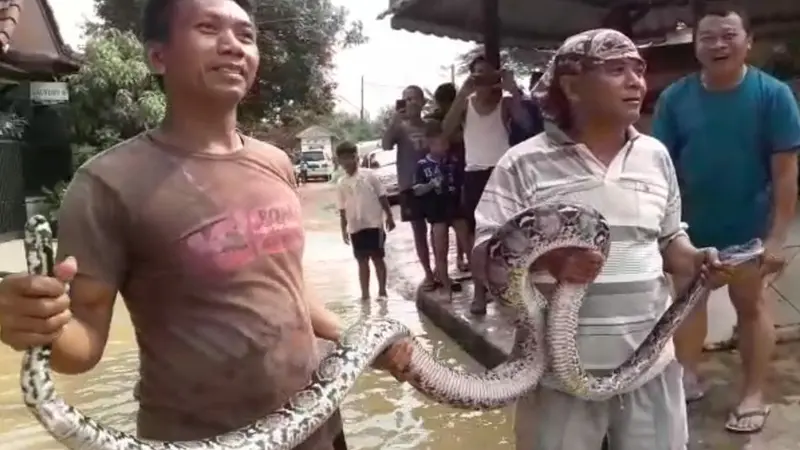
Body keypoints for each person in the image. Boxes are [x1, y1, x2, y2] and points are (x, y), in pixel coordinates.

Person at [0, 0, 412, 448]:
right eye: (208, 27)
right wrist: (37, 326)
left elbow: (291, 289)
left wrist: (365, 344)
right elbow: (82, 347)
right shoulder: (106, 184)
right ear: (158, 56)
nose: (233, 46)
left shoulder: (276, 164)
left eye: (246, 34)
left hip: (318, 428)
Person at [471, 29, 731, 450]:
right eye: (616, 70)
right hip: (556, 377)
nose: (636, 81)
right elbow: (483, 254)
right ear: (572, 86)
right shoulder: (522, 163)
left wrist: (696, 259)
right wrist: (546, 261)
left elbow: (668, 240)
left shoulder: (655, 156)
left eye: (638, 69)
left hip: (650, 366)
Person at [651, 5, 800, 433]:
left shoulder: (773, 95)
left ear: (747, 42)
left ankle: (752, 393)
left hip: (749, 229)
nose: (718, 44)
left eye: (728, 35)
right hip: (690, 231)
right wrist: (665, 234)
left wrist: (776, 237)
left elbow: (786, 172)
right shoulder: (675, 98)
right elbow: (661, 168)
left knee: (750, 307)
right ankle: (687, 378)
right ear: (695, 46)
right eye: (708, 37)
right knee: (687, 307)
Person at [441, 55, 533, 315]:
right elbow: (446, 131)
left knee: (510, 234)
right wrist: (462, 94)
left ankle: (512, 290)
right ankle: (480, 294)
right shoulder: (466, 103)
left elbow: (525, 123)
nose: (482, 79)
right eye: (477, 74)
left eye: (487, 74)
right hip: (474, 175)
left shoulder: (504, 103)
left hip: (501, 173)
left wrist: (512, 89)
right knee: (476, 238)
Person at [383, 86, 439, 291]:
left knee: (439, 228)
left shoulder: (431, 125)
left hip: (433, 183)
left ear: (423, 102)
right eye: (406, 99)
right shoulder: (399, 127)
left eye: (414, 98)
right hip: (409, 185)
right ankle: (429, 273)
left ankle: (441, 270)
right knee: (419, 231)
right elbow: (386, 145)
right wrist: (393, 122)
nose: (410, 103)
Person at [412, 120, 470, 294]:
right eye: (440, 142)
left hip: (456, 208)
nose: (445, 146)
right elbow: (416, 190)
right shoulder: (422, 165)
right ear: (430, 144)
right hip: (437, 212)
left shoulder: (452, 161)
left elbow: (462, 184)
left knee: (469, 245)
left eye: (446, 142)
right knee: (440, 251)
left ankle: (483, 286)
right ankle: (446, 289)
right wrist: (431, 185)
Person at [335, 141, 395, 301]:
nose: (347, 161)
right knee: (361, 261)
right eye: (343, 159)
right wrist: (343, 229)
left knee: (377, 257)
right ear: (339, 161)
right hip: (355, 226)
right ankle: (365, 294)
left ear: (357, 157)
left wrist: (389, 216)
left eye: (350, 157)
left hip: (374, 223)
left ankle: (382, 291)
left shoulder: (369, 175)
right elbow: (342, 208)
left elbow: (382, 196)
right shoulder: (341, 183)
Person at [428, 82, 469, 274]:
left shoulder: (465, 112)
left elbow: (460, 137)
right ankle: (440, 266)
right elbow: (440, 136)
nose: (443, 107)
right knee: (439, 222)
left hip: (461, 167)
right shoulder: (435, 118)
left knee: (462, 219)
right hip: (442, 171)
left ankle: (462, 258)